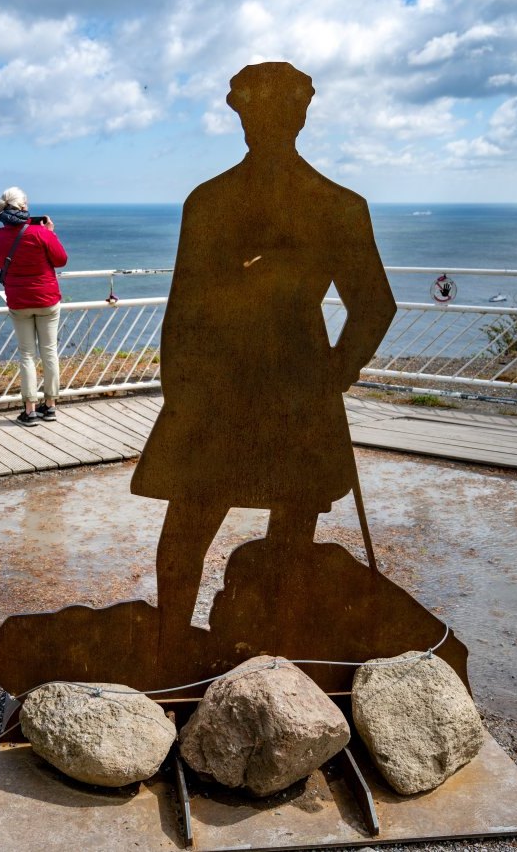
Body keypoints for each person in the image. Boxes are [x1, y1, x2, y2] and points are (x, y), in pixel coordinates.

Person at [130, 62, 397, 638]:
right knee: (279, 521)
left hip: (228, 385)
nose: (264, 121)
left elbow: (184, 313)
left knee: (194, 521)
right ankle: (266, 642)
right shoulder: (336, 203)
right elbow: (376, 306)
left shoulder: (211, 200)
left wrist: (179, 392)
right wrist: (334, 372)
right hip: (293, 383)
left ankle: (176, 639)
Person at [0, 187, 69, 427]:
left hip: (19, 301)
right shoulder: (41, 233)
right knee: (49, 351)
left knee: (27, 354)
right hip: (47, 299)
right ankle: (50, 407)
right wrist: (51, 233)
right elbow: (61, 260)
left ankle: (29, 410)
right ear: (23, 207)